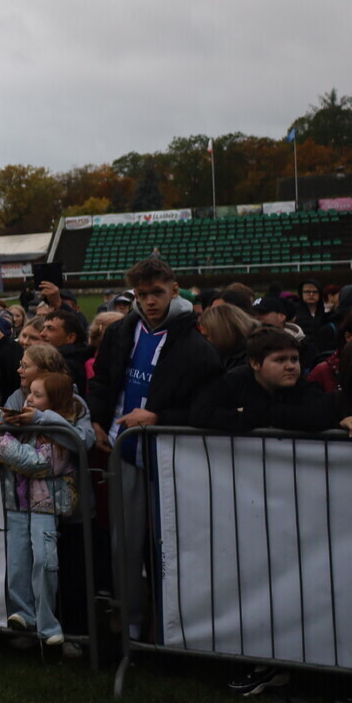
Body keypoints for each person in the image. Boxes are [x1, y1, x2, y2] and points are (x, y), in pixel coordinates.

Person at [87, 257, 223, 639]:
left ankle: (178, 622)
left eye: (157, 293)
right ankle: (130, 620)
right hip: (124, 451)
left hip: (172, 456)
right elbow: (102, 380)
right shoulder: (120, 332)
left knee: (175, 542)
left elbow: (206, 406)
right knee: (124, 543)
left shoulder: (196, 345)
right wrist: (98, 418)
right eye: (142, 294)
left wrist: (158, 416)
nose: (149, 301)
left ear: (174, 290)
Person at [0, 372, 88, 649]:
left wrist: (4, 445)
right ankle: (23, 614)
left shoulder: (61, 432)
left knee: (45, 562)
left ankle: (48, 624)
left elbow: (41, 464)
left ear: (54, 401)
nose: (29, 400)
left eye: (37, 395)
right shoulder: (21, 422)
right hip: (16, 503)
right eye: (29, 394)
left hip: (46, 507)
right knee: (17, 562)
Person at [189, 328, 329, 433]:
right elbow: (200, 413)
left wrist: (258, 413)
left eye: (294, 359)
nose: (290, 366)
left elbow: (320, 415)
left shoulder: (304, 387)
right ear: (255, 363)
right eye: (280, 360)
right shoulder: (233, 382)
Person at [40, 310, 92, 396]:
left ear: (70, 338)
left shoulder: (65, 366)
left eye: (50, 329)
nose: (42, 333)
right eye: (43, 328)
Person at [198, 302, 260, 371]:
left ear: (221, 333)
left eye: (206, 336)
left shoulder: (247, 360)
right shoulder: (227, 354)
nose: (204, 341)